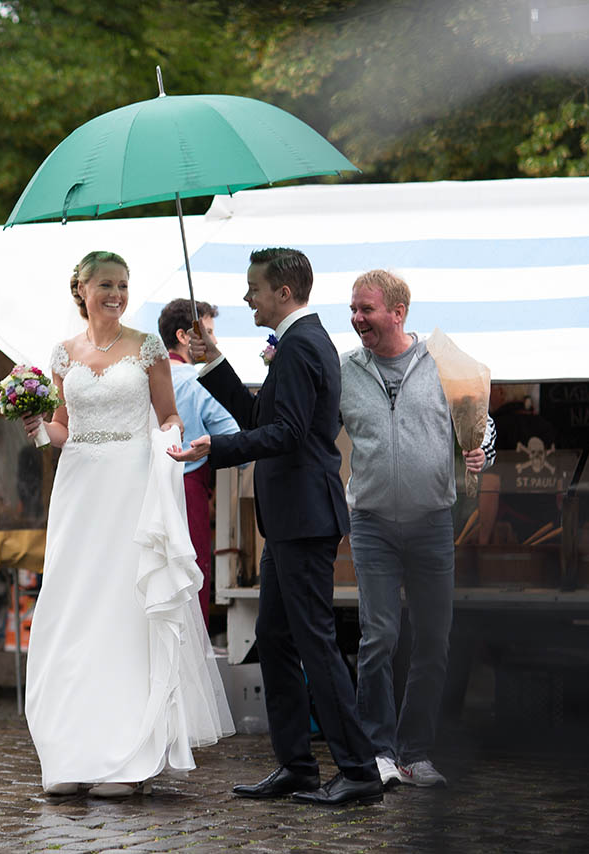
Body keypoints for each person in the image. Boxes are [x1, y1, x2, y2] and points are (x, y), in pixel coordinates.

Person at [172, 247, 383, 807]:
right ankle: (296, 767)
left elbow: (285, 434)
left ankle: (360, 770)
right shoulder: (297, 344)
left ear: (282, 293)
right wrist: (215, 362)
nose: (247, 297)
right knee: (274, 637)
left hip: (303, 517)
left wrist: (215, 448)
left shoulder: (300, 347)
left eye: (254, 288)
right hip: (290, 518)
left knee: (313, 641)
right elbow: (262, 419)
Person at [21, 251, 234, 799]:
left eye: (123, 285)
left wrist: (168, 445)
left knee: (123, 611)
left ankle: (125, 755)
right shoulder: (63, 355)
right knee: (74, 610)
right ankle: (71, 749)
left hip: (132, 490)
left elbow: (169, 417)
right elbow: (65, 428)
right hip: (78, 492)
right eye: (106, 285)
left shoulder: (148, 347)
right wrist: (41, 428)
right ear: (82, 290)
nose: (116, 294)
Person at [340, 270, 496, 788]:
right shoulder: (346, 371)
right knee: (379, 634)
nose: (357, 318)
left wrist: (481, 452)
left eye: (366, 309)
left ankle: (416, 753)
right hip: (372, 523)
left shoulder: (445, 366)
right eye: (354, 309)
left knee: (433, 638)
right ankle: (379, 752)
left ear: (398, 312)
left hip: (432, 521)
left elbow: (485, 427)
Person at [157, 298, 239, 630]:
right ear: (183, 335)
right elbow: (232, 432)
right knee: (192, 572)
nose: (214, 341)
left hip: (146, 490)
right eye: (207, 332)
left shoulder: (147, 378)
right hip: (187, 490)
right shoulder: (197, 381)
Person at [477, 385, 561, 545]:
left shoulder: (496, 428)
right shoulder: (547, 427)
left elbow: (490, 486)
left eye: (489, 389)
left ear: (500, 392)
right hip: (549, 533)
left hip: (510, 536)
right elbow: (559, 486)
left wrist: (483, 538)